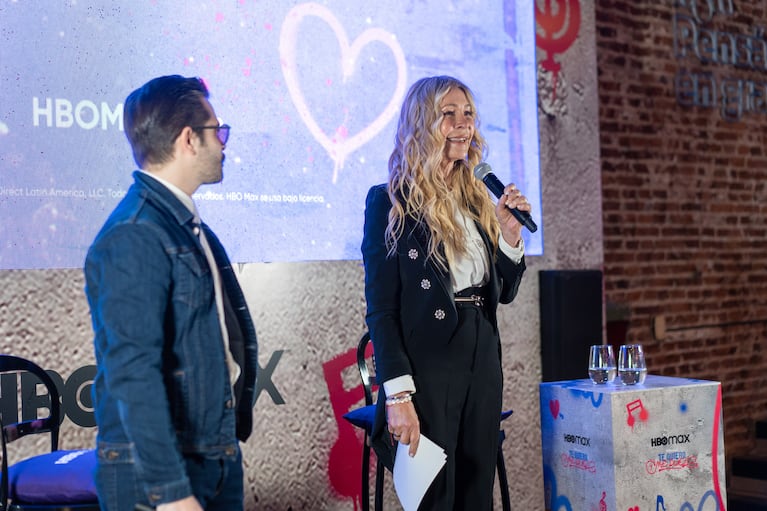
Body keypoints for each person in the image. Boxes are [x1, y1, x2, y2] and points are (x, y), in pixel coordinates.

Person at [84, 75, 258, 511]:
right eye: (217, 131)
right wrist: (171, 491)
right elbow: (132, 371)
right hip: (161, 480)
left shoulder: (178, 222)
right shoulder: (135, 233)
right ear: (188, 140)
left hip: (210, 459)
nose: (224, 143)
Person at [361, 75, 529, 509]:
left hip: (482, 351)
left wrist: (509, 235)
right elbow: (382, 310)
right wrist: (397, 396)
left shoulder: (477, 198)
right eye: (448, 114)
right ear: (421, 124)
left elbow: (504, 291)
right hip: (429, 361)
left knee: (476, 492)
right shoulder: (390, 201)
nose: (462, 124)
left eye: (468, 114)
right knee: (436, 495)